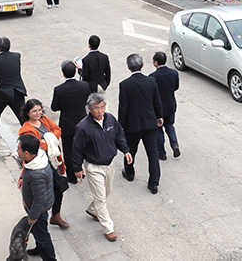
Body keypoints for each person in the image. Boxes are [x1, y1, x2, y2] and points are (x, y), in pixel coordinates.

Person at [72, 93, 132, 242]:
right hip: (94, 167)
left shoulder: (110, 119)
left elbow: (119, 136)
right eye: (97, 108)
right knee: (100, 198)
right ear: (90, 109)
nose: (100, 111)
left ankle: (92, 210)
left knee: (107, 191)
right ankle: (108, 228)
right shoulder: (83, 127)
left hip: (109, 164)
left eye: (102, 107)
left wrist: (126, 150)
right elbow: (77, 149)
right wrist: (77, 168)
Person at [18, 99, 69, 229]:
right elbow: (36, 146)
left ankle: (56, 215)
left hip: (53, 161)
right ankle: (41, 220)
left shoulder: (44, 120)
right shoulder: (26, 130)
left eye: (40, 110)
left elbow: (57, 130)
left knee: (59, 188)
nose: (38, 113)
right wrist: (50, 137)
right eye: (34, 111)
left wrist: (48, 138)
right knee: (43, 193)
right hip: (40, 165)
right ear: (28, 113)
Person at [118, 54, 163, 194]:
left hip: (133, 126)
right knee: (153, 153)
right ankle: (154, 183)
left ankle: (130, 173)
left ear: (128, 67)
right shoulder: (151, 81)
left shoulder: (125, 85)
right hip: (150, 123)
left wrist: (121, 126)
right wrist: (159, 116)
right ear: (142, 65)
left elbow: (123, 108)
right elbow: (157, 101)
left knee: (130, 151)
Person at [16, 134, 57, 261]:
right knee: (39, 232)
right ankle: (39, 249)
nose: (17, 151)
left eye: (19, 149)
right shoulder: (39, 156)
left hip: (38, 210)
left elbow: (39, 200)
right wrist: (24, 177)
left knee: (42, 236)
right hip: (39, 206)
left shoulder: (37, 175)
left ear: (27, 153)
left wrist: (33, 217)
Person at [51, 61, 91, 183]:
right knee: (83, 148)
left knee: (68, 151)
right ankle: (83, 172)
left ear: (63, 73)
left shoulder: (59, 90)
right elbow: (88, 102)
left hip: (67, 124)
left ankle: (72, 177)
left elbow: (54, 107)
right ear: (75, 71)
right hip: (82, 122)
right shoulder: (84, 86)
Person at [0, 37, 27, 129]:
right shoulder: (17, 56)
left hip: (1, 93)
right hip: (16, 91)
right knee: (23, 118)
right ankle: (30, 136)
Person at [150, 52, 180, 160]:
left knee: (158, 130)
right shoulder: (174, 73)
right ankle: (175, 145)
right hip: (171, 104)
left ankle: (161, 153)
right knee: (170, 126)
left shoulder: (152, 77)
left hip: (159, 108)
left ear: (156, 62)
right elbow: (176, 87)